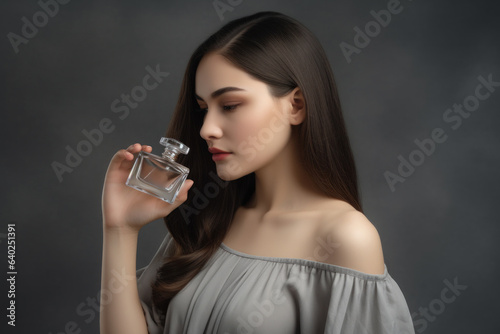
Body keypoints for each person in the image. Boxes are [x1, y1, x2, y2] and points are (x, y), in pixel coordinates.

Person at [100, 11, 415, 334]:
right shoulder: (207, 219)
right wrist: (120, 230)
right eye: (203, 108)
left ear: (296, 106)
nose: (207, 128)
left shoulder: (346, 238)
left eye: (230, 105)